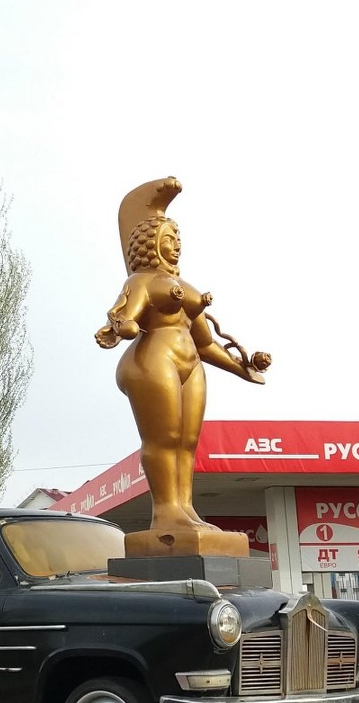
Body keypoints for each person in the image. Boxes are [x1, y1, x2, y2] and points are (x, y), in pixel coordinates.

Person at [96, 178, 270, 552]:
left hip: (190, 363)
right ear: (150, 244)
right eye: (168, 240)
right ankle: (165, 512)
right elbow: (126, 318)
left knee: (188, 443)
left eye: (178, 241)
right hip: (153, 359)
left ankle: (185, 507)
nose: (175, 247)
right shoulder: (140, 280)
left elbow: (205, 342)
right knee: (164, 439)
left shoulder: (186, 286)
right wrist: (124, 326)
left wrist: (243, 368)